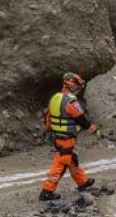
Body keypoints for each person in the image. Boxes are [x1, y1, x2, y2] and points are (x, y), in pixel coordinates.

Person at [39, 72, 98, 201]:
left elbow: (47, 117)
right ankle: (47, 191)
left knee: (72, 159)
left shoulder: (54, 98)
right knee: (61, 163)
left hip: (56, 136)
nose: (78, 88)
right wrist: (92, 128)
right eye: (77, 85)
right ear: (72, 84)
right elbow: (81, 119)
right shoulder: (70, 101)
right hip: (66, 137)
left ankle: (82, 182)